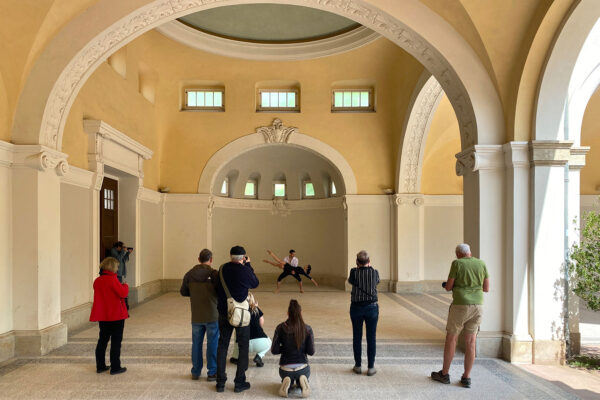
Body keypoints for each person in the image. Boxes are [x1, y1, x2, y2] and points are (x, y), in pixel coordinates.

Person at [431, 243, 489, 388]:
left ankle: (444, 374)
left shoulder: (457, 264)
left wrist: (449, 285)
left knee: (451, 339)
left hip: (460, 306)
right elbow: (486, 288)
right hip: (478, 306)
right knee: (471, 342)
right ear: (470, 252)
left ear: (458, 254)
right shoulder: (481, 264)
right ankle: (466, 377)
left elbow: (449, 287)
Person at [215, 246, 259, 393]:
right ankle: (239, 382)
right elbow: (255, 283)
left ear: (230, 256)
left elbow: (216, 288)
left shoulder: (222, 269)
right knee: (243, 346)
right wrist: (249, 265)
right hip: (241, 315)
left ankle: (220, 383)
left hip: (224, 313)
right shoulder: (245, 270)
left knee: (222, 345)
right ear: (243, 257)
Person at [180, 248, 219, 381]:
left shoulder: (189, 274)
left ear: (198, 259)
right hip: (213, 314)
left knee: (196, 343)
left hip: (196, 315)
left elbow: (183, 292)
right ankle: (212, 372)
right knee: (212, 343)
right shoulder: (214, 274)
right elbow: (221, 292)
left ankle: (196, 372)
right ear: (211, 260)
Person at [89, 256, 129, 375]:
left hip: (103, 316)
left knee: (102, 340)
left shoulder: (97, 280)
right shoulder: (112, 280)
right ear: (113, 267)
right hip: (116, 315)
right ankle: (115, 367)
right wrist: (125, 285)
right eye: (117, 267)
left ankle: (100, 365)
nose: (117, 269)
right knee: (116, 342)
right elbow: (123, 293)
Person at [271, 299, 315, 398]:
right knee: (303, 375)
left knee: (287, 378)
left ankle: (287, 382)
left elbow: (274, 350)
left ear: (287, 313)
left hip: (285, 369)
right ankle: (302, 382)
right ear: (301, 313)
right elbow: (311, 352)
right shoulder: (307, 329)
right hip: (302, 368)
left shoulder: (280, 328)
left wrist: (286, 348)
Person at [348, 250, 380, 376]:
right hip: (372, 308)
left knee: (357, 336)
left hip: (356, 307)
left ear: (357, 262)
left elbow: (350, 281)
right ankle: (371, 367)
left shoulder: (354, 272)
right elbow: (377, 281)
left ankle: (358, 366)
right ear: (369, 261)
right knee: (371, 338)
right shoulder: (374, 272)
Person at [229, 292, 272, 368]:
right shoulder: (256, 309)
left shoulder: (238, 311)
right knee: (269, 342)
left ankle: (235, 357)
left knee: (237, 336)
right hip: (260, 342)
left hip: (244, 345)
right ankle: (259, 356)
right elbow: (261, 321)